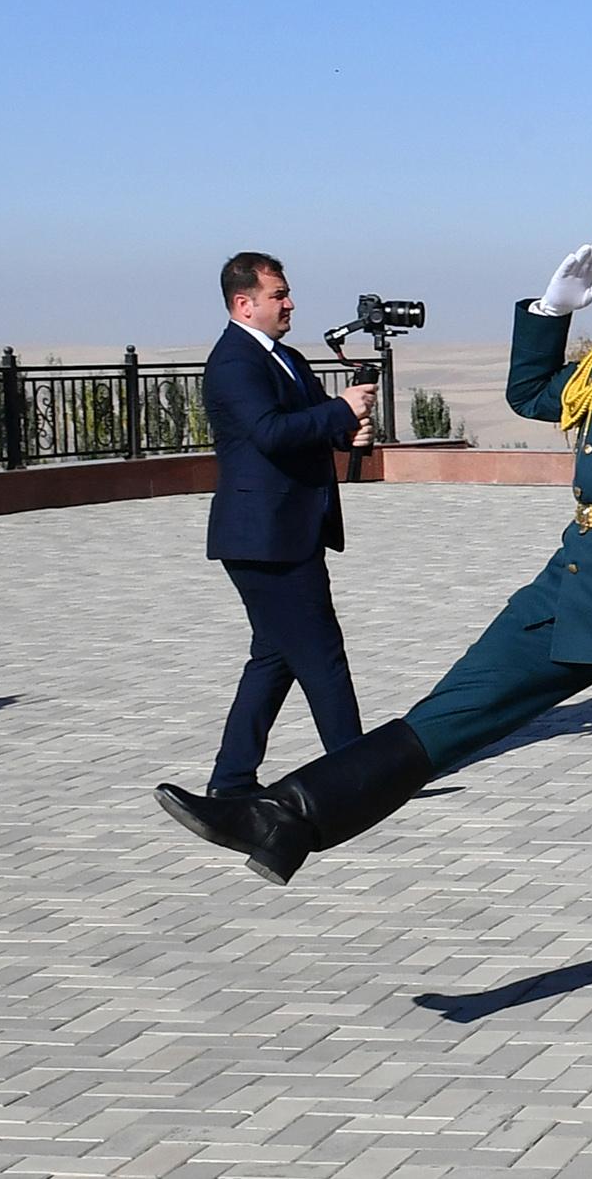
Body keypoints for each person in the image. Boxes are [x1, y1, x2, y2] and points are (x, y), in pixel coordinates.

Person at [156, 148, 592, 1043]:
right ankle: (281, 817)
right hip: (570, 587)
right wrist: (549, 314)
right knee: (445, 718)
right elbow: (534, 395)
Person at [198, 252, 379, 798]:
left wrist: (349, 430)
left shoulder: (287, 358)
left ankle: (231, 779)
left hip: (289, 531)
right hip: (263, 538)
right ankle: (359, 777)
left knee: (274, 658)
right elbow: (271, 433)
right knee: (322, 655)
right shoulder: (234, 362)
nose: (290, 304)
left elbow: (313, 421)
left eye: (287, 293)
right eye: (278, 295)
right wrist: (341, 411)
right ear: (243, 304)